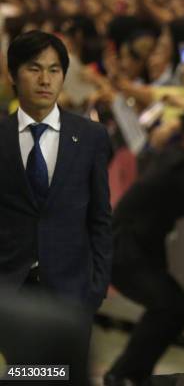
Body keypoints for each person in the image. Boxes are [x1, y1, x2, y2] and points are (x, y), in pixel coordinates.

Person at [104, 107, 184, 386]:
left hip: (136, 249)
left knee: (171, 309)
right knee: (172, 308)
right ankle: (123, 374)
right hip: (126, 251)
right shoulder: (181, 164)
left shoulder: (177, 157)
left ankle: (130, 373)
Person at [0, 30, 112, 313]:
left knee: (60, 361)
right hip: (11, 290)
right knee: (25, 361)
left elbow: (100, 218)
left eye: (54, 70)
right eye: (33, 69)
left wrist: (96, 286)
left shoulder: (91, 136)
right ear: (13, 75)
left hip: (72, 293)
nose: (45, 80)